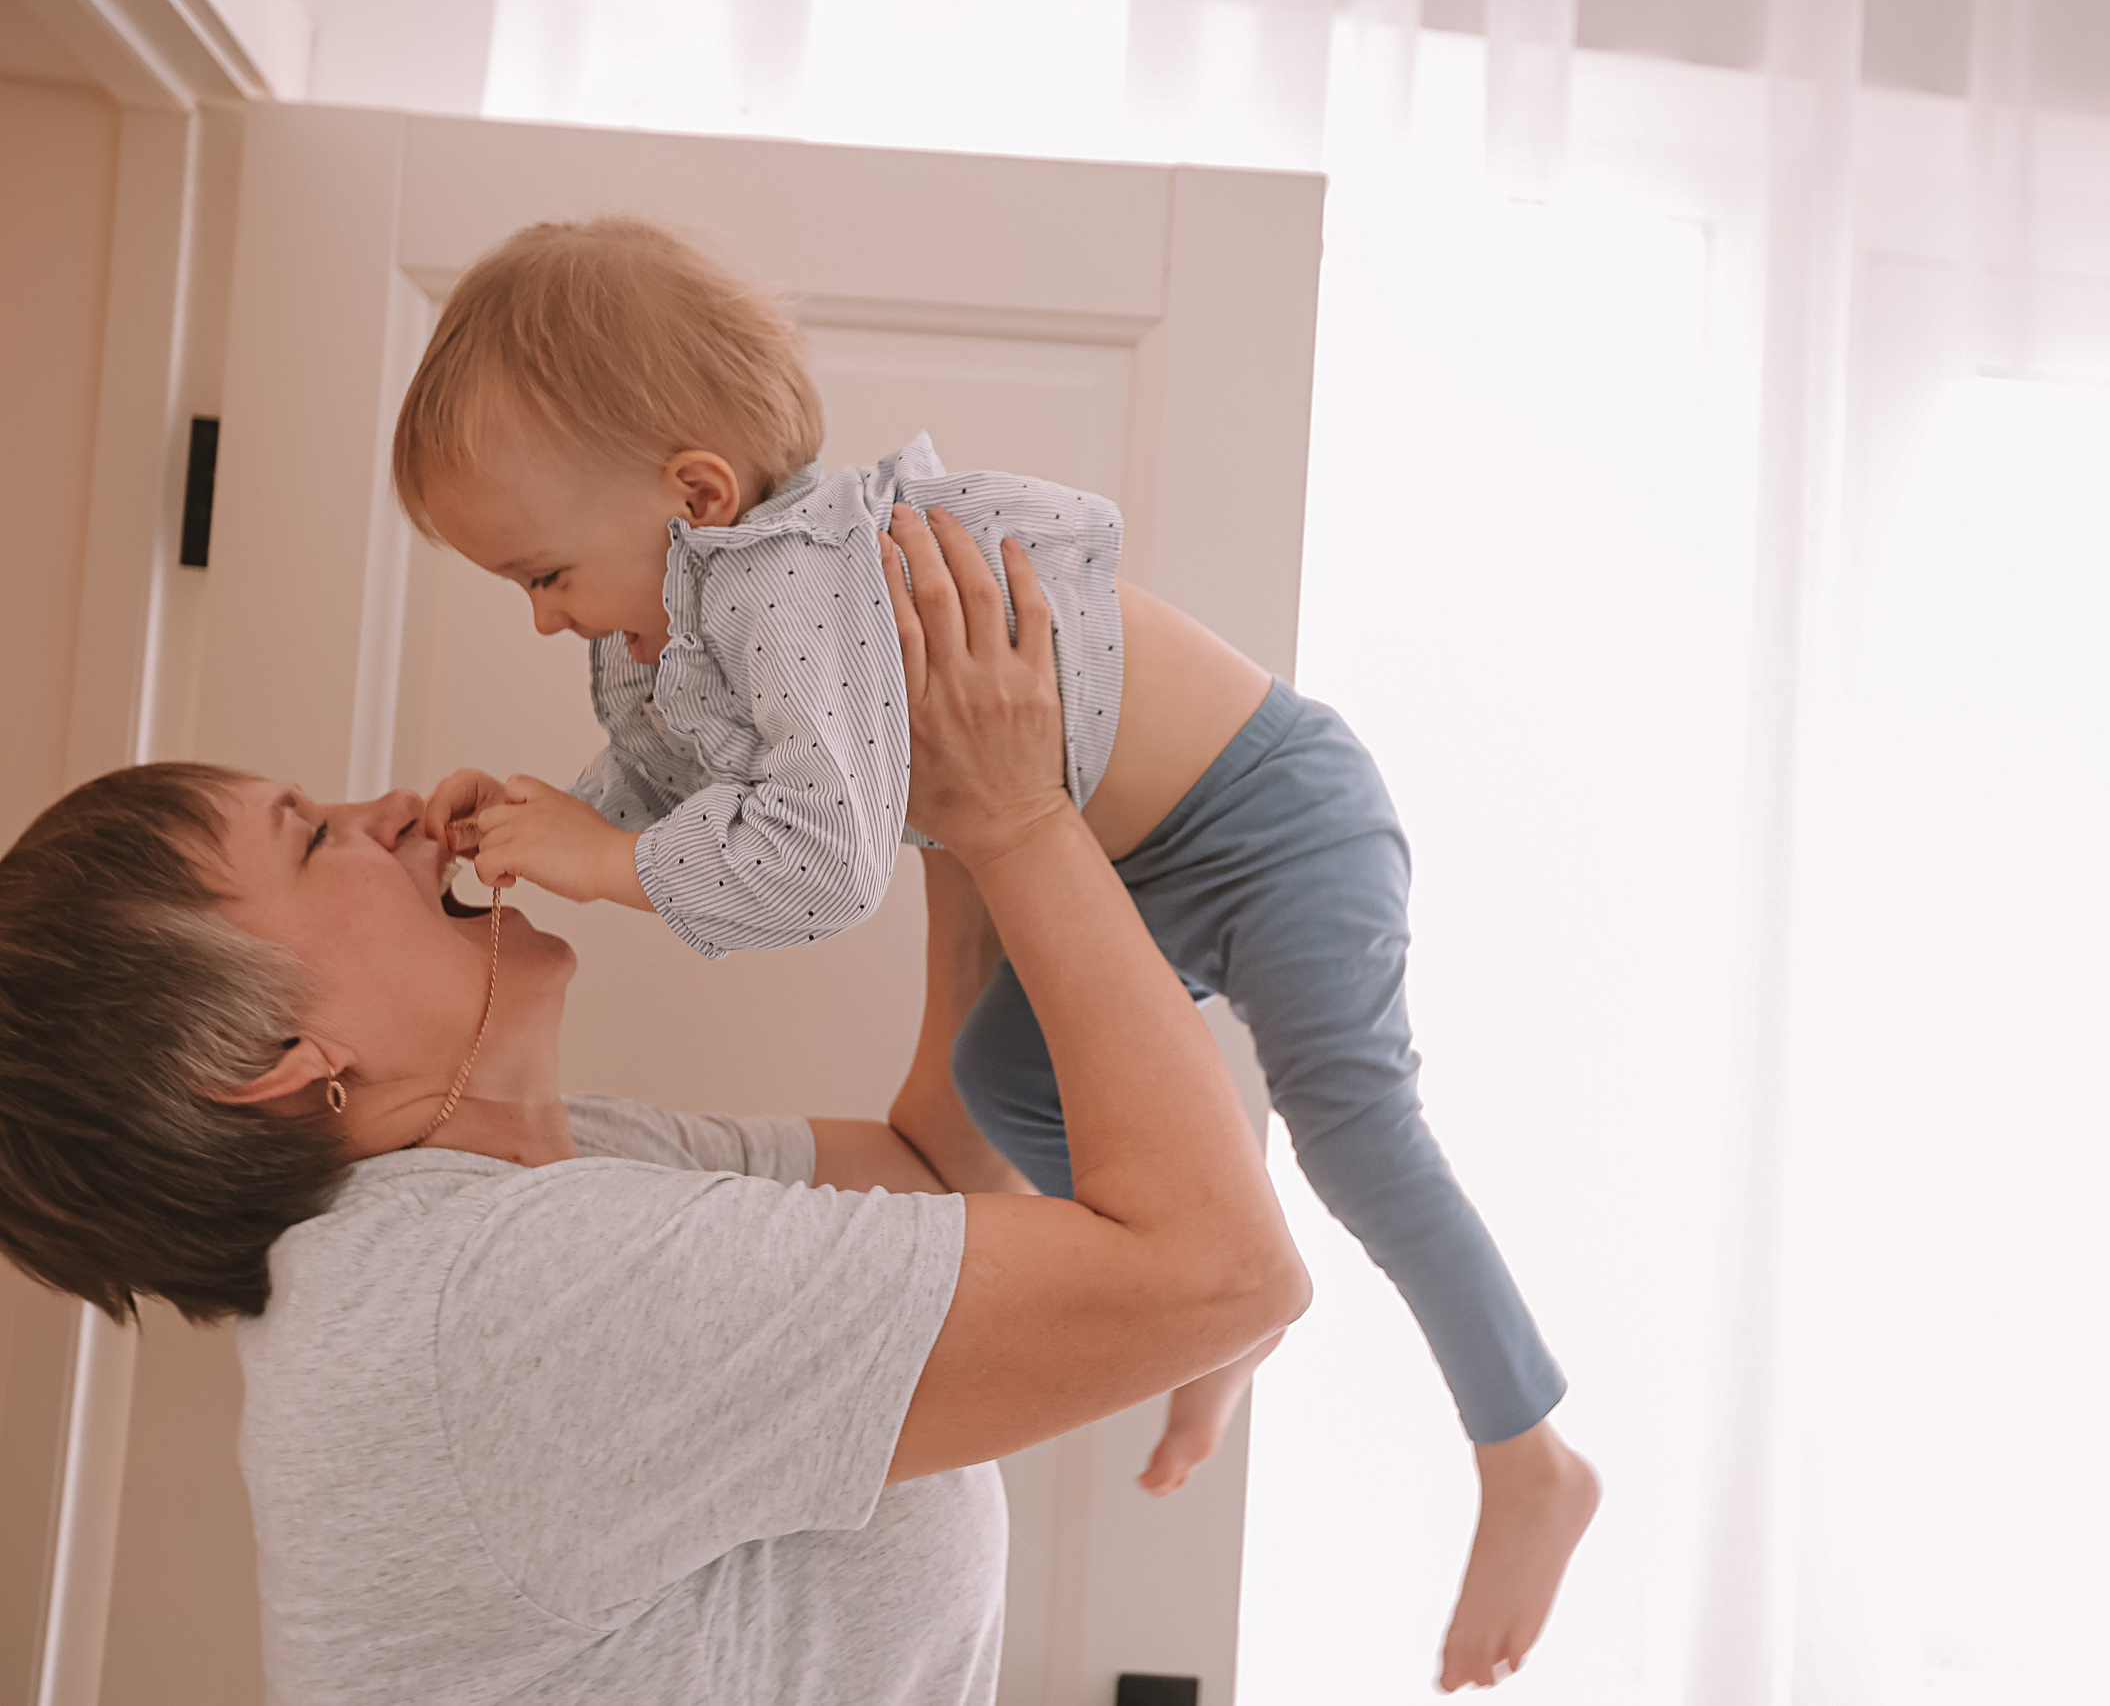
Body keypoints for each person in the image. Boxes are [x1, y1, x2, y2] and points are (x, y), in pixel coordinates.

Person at [393, 214, 1597, 1691]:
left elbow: (823, 862)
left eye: (543, 573)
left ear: (696, 493)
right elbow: (669, 780)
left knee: (1361, 1130)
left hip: (1275, 818)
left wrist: (605, 867)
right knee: (1009, 1083)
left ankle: (1528, 1453)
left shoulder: (790, 583)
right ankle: (1226, 1298)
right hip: (1128, 862)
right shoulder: (670, 613)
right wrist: (548, 821)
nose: (540, 619)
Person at [0, 516, 1306, 1704]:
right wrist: (1018, 817)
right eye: (310, 836)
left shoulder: (513, 1201)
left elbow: (928, 1168)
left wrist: (933, 786)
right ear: (272, 1049)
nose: (392, 809)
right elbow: (1221, 1276)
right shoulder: (497, 1304)